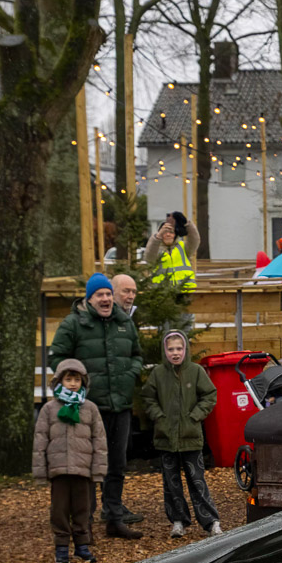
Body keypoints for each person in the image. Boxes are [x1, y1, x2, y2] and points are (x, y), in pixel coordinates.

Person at [48, 273, 144, 538]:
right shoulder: (73, 324)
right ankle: (84, 523)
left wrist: (129, 375)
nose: (105, 299)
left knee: (117, 464)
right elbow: (56, 358)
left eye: (108, 294)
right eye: (99, 295)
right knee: (88, 466)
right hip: (87, 408)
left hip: (120, 406)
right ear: (90, 299)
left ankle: (114, 518)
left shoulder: (124, 322)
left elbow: (137, 354)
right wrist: (76, 382)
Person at [141, 331, 223, 538]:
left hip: (191, 436)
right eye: (171, 349)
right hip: (165, 438)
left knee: (197, 480)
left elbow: (210, 394)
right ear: (165, 351)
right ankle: (178, 520)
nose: (175, 353)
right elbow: (148, 398)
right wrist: (159, 417)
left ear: (185, 350)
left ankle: (211, 521)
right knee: (171, 482)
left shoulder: (195, 371)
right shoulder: (158, 374)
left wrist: (196, 415)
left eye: (179, 348)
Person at [32, 360, 107, 563]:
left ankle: (82, 545)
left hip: (83, 469)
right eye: (68, 379)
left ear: (83, 382)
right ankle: (62, 547)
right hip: (59, 469)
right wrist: (40, 470)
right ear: (59, 381)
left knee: (83, 509)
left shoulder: (90, 408)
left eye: (76, 379)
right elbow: (40, 440)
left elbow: (99, 441)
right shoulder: (49, 409)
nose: (72, 383)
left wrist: (98, 469)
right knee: (59, 510)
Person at [145, 212, 199, 292]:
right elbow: (149, 257)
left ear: (175, 234)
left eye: (171, 232)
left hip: (186, 291)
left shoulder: (183, 247)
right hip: (163, 294)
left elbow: (194, 240)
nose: (168, 235)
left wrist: (187, 224)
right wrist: (157, 237)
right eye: (165, 232)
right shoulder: (155, 250)